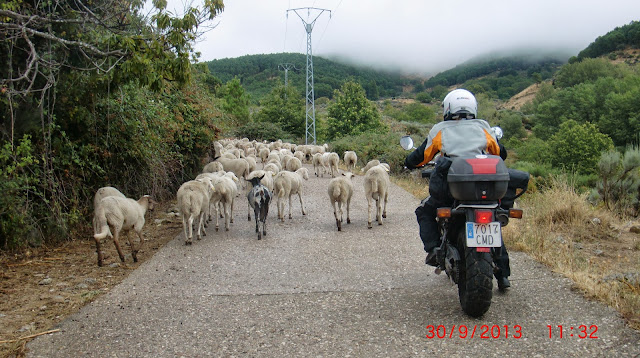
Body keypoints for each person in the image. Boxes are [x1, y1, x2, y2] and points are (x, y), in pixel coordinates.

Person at [404, 88, 511, 291]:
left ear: (448, 108)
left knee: (424, 210)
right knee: (491, 221)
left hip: (450, 189)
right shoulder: (483, 127)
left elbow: (422, 156)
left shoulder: (440, 129)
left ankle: (434, 249)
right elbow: (499, 153)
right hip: (483, 187)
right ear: (473, 107)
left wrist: (409, 162)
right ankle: (503, 275)